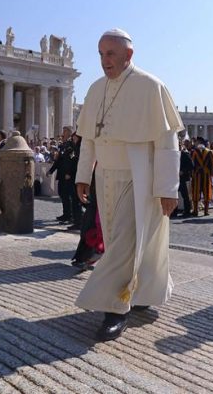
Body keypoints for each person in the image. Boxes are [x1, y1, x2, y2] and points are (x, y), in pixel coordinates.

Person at [74, 28, 183, 341]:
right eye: (101, 54)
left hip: (138, 177)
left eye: (111, 54)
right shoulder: (95, 89)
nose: (105, 61)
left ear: (128, 55)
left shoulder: (151, 86)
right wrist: (83, 174)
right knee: (120, 241)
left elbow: (167, 142)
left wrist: (167, 188)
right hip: (104, 176)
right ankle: (137, 291)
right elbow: (89, 140)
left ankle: (114, 308)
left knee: (122, 245)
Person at [190, 137, 213, 216]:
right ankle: (205, 211)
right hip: (206, 174)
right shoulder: (210, 152)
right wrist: (207, 169)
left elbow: (192, 165)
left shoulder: (194, 152)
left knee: (196, 192)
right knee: (205, 192)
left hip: (197, 175)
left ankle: (196, 211)